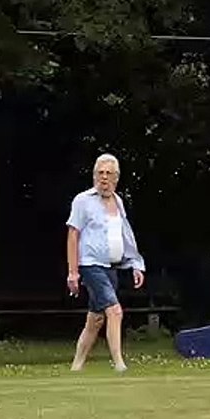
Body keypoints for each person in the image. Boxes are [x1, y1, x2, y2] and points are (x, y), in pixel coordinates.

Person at [66, 154, 146, 372]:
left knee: (95, 320)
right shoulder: (82, 201)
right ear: (94, 176)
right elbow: (73, 235)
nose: (104, 178)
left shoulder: (118, 202)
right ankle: (119, 364)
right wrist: (73, 272)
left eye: (108, 173)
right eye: (100, 173)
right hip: (90, 265)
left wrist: (136, 263)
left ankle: (76, 367)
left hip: (111, 267)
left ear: (116, 178)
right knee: (115, 311)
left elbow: (125, 235)